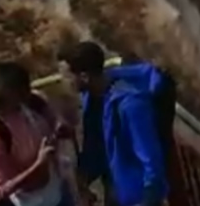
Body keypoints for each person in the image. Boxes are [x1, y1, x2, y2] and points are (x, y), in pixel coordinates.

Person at [58, 43, 170, 206]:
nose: (64, 82)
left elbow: (151, 161)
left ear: (84, 77)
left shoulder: (131, 106)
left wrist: (148, 200)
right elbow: (98, 142)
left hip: (136, 197)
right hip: (114, 186)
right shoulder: (91, 98)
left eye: (67, 76)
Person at [0, 62, 74, 206]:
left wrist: (60, 126)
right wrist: (38, 164)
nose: (28, 94)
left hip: (59, 192)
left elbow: (53, 117)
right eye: (22, 92)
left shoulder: (32, 102)